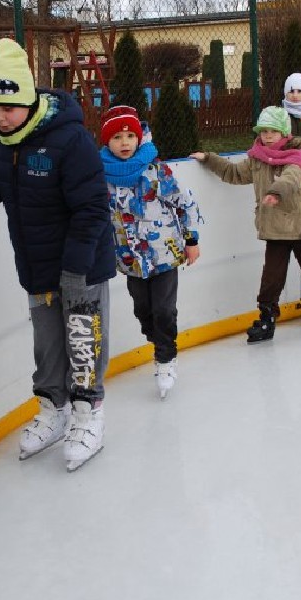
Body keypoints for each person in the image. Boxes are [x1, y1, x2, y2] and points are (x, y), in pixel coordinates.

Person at [0, 38, 115, 472]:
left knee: (82, 341)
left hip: (81, 265)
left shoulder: (69, 139)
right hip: (37, 266)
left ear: (28, 98)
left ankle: (88, 413)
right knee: (47, 344)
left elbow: (94, 207)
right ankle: (54, 408)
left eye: (8, 108)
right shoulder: (1, 140)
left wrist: (75, 269)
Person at [190, 106, 301, 342]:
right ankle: (267, 317)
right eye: (264, 131)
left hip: (300, 225)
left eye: (273, 131)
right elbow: (234, 173)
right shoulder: (257, 159)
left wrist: (275, 192)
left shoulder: (298, 155)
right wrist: (209, 159)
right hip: (274, 228)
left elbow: (292, 177)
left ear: (284, 133)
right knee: (271, 277)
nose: (268, 136)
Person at [101, 105, 203, 399]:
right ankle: (159, 342)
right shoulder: (102, 177)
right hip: (130, 260)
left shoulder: (156, 171)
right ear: (107, 142)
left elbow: (185, 203)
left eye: (130, 136)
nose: (124, 142)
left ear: (139, 138)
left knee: (163, 310)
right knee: (143, 311)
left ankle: (166, 358)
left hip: (164, 256)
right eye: (117, 137)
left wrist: (191, 240)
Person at [282, 72, 301, 138]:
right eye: (291, 91)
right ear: (285, 93)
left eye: (300, 91)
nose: (295, 95)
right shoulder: (280, 114)